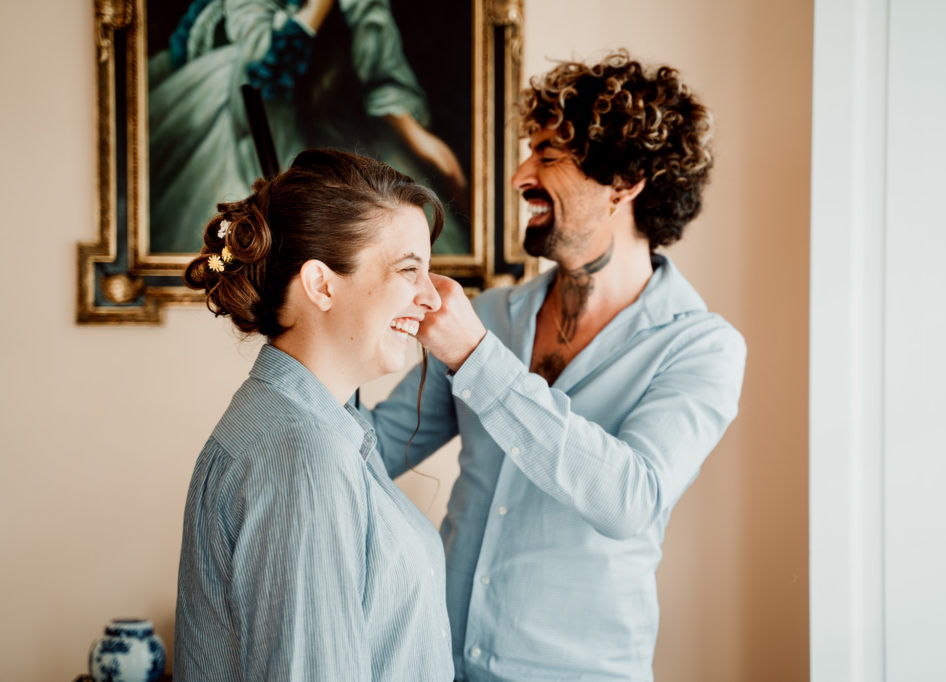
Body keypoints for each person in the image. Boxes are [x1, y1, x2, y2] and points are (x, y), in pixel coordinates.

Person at [367, 51, 747, 680]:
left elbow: (631, 500)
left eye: (546, 155)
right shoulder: (487, 315)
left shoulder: (702, 348)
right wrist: (327, 338)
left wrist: (476, 358)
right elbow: (378, 448)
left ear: (624, 183)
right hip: (439, 662)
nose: (520, 176)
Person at [174, 148, 454, 680]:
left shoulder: (321, 429)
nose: (432, 299)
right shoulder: (299, 457)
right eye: (409, 271)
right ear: (322, 285)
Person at [148, 0, 468, 254]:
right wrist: (315, 10)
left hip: (339, 116)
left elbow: (378, 56)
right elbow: (262, 71)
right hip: (258, 115)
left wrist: (415, 135)